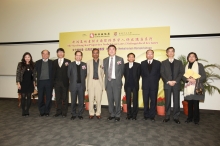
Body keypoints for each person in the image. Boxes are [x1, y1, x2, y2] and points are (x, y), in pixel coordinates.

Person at [160, 47, 184, 124]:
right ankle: (167, 116)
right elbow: (162, 73)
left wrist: (175, 81)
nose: (170, 53)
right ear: (166, 53)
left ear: (174, 53)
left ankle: (176, 117)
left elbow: (181, 73)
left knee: (176, 101)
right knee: (167, 101)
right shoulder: (163, 63)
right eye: (169, 51)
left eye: (172, 51)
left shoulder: (179, 62)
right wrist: (168, 81)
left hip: (176, 84)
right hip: (167, 84)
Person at [182, 52, 206, 125]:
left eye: (193, 56)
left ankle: (196, 119)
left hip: (197, 87)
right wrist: (188, 79)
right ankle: (189, 118)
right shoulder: (185, 66)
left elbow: (204, 76)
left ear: (196, 58)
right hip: (188, 88)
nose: (191, 58)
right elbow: (183, 76)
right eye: (190, 56)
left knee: (196, 104)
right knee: (189, 104)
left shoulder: (199, 65)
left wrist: (195, 80)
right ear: (188, 58)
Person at [103, 44, 124, 122]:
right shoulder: (105, 60)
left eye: (113, 49)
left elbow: (122, 71)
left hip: (116, 82)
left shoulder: (120, 59)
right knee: (110, 99)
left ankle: (118, 114)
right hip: (108, 82)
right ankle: (112, 114)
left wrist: (117, 78)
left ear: (115, 50)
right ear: (108, 51)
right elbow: (105, 71)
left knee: (117, 99)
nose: (111, 51)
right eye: (110, 49)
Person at [141, 50, 161, 121]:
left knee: (153, 101)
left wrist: (154, 80)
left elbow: (159, 74)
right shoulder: (142, 63)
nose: (149, 55)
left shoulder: (158, 63)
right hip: (145, 85)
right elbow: (142, 74)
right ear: (146, 55)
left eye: (151, 54)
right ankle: (146, 115)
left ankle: (152, 115)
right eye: (148, 54)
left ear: (153, 55)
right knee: (145, 101)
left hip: (154, 85)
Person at [68, 51, 87, 120]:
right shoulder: (71, 64)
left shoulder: (84, 65)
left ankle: (80, 114)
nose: (78, 56)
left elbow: (85, 74)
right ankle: (73, 114)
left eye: (80, 55)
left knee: (81, 101)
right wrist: (73, 81)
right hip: (73, 85)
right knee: (73, 101)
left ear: (81, 57)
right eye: (77, 55)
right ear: (75, 56)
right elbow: (68, 75)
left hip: (81, 85)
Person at [53, 48, 71, 118]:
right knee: (58, 98)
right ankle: (58, 111)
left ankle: (64, 112)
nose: (60, 53)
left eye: (61, 52)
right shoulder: (54, 62)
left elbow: (69, 73)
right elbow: (53, 73)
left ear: (64, 53)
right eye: (59, 52)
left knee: (65, 98)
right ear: (57, 54)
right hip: (56, 83)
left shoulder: (68, 61)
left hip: (65, 83)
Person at [16, 52, 36, 116]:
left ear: (30, 58)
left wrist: (34, 82)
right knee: (23, 97)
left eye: (28, 57)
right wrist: (18, 83)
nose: (27, 58)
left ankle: (27, 110)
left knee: (29, 97)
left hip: (30, 83)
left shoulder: (33, 64)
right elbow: (18, 74)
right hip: (23, 83)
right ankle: (23, 111)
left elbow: (34, 75)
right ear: (24, 58)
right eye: (26, 57)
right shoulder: (20, 64)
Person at [87, 48, 104, 119]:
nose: (95, 54)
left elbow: (102, 73)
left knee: (98, 99)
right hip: (91, 82)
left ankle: (98, 113)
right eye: (94, 53)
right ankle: (91, 113)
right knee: (91, 99)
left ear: (98, 54)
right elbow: (87, 73)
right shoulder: (88, 62)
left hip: (98, 82)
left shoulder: (102, 62)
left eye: (97, 53)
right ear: (92, 54)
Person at [35, 50, 53, 117]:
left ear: (49, 55)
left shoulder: (52, 62)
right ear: (41, 54)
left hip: (49, 82)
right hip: (40, 82)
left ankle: (47, 111)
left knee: (48, 97)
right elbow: (34, 73)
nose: (45, 55)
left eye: (46, 54)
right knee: (40, 97)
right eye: (43, 54)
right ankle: (41, 111)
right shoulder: (37, 62)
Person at [123, 53, 140, 120]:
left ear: (134, 58)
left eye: (132, 57)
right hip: (128, 85)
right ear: (127, 58)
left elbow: (138, 75)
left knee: (135, 100)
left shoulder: (138, 65)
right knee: (128, 101)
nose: (131, 58)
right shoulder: (125, 65)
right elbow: (124, 75)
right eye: (129, 57)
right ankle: (129, 114)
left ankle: (134, 114)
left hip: (135, 85)